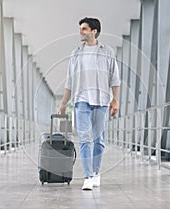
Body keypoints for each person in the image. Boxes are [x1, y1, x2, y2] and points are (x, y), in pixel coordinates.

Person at [58, 17, 120, 190]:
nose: (81, 31)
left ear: (94, 31)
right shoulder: (75, 53)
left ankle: (95, 172)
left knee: (99, 140)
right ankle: (87, 177)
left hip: (101, 101)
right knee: (85, 139)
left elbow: (115, 79)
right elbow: (69, 82)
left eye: (84, 29)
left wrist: (115, 100)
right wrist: (63, 104)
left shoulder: (107, 52)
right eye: (80, 28)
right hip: (81, 101)